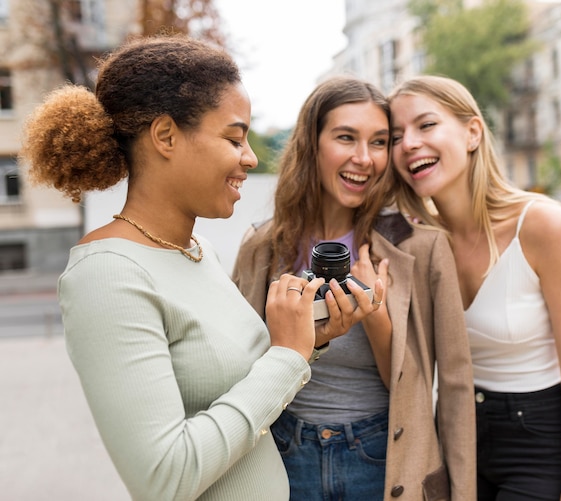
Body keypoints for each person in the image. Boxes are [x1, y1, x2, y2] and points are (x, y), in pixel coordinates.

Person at [19, 35, 335, 501]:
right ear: (165, 136)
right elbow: (164, 478)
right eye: (233, 137)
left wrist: (308, 340)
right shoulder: (107, 275)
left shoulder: (196, 249)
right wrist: (287, 357)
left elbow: (231, 381)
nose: (250, 158)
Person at [232, 76, 476, 501]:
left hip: (382, 459)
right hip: (284, 457)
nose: (364, 158)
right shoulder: (262, 247)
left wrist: (377, 315)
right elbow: (239, 370)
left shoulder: (421, 247)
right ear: (313, 143)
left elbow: (449, 387)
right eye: (346, 137)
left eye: (380, 142)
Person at [388, 74, 561, 501]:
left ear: (472, 132)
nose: (408, 143)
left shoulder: (542, 225)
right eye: (395, 136)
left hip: (538, 442)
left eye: (426, 125)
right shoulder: (421, 240)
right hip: (458, 437)